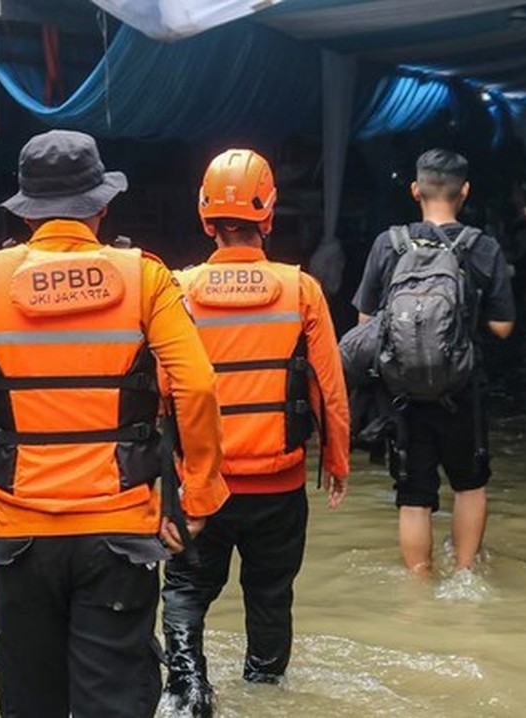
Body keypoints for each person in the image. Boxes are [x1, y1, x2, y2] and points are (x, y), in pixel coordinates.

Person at [0, 130, 230, 718]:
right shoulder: (146, 277)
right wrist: (196, 498)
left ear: (26, 210)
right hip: (119, 536)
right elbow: (197, 385)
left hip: (20, 535)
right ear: (101, 206)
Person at [160, 149, 351, 716]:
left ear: (206, 218)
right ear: (268, 217)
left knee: (186, 591)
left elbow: (161, 392)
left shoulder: (177, 289)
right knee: (270, 598)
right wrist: (337, 461)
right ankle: (266, 692)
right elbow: (328, 390)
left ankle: (189, 688)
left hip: (200, 488)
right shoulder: (301, 290)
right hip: (279, 486)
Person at [352, 149, 514, 576]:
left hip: (401, 394)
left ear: (414, 190)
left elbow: (365, 322)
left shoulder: (388, 245)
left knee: (414, 495)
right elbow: (502, 327)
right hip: (462, 391)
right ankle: (463, 576)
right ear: (465, 191)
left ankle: (419, 586)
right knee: (470, 485)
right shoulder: (483, 248)